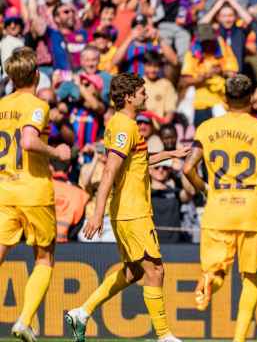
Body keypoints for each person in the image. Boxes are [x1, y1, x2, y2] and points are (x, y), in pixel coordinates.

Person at [64, 73, 188, 342]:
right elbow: (109, 169)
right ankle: (164, 335)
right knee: (156, 271)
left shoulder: (127, 125)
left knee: (134, 271)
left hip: (131, 209)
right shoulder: (124, 127)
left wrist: (170, 154)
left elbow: (138, 160)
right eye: (142, 92)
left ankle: (82, 313)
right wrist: (97, 214)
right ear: (130, 97)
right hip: (132, 211)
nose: (146, 95)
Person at [182, 74, 257, 342]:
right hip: (251, 212)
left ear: (224, 99)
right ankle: (239, 339)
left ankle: (209, 282)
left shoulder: (207, 128)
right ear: (252, 98)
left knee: (217, 271)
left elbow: (188, 168)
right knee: (251, 278)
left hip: (218, 209)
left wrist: (205, 188)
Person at [0, 47, 71, 341]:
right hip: (34, 190)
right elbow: (29, 141)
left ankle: (26, 322)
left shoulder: (2, 104)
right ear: (36, 75)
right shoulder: (37, 104)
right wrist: (58, 152)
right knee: (44, 257)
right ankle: (25, 320)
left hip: (4, 190)